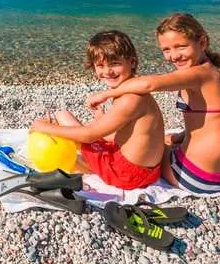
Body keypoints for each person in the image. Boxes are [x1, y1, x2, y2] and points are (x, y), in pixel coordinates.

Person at [87, 13, 220, 193]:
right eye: (166, 50)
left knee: (146, 148)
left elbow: (148, 84)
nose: (174, 56)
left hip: (197, 178)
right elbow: (217, 122)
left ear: (202, 42)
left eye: (181, 47)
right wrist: (182, 136)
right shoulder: (218, 71)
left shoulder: (199, 74)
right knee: (165, 140)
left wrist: (106, 94)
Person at [30, 30, 164, 190]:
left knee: (63, 117)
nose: (107, 71)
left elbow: (88, 135)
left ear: (132, 62)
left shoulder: (130, 99)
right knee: (72, 123)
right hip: (148, 171)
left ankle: (84, 165)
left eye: (114, 64)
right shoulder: (134, 90)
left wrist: (44, 127)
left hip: (127, 175)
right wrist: (101, 118)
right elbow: (124, 134)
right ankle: (87, 161)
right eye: (100, 66)